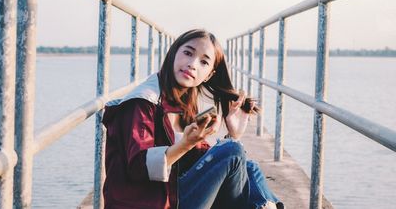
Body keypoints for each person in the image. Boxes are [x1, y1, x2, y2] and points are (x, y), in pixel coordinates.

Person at [102, 29, 284, 209]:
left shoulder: (180, 100)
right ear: (173, 53)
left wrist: (233, 134)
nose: (193, 64)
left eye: (204, 62)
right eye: (188, 53)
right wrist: (187, 144)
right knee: (233, 151)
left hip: (168, 194)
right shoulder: (143, 102)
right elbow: (138, 167)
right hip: (147, 202)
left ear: (209, 75)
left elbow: (200, 158)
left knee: (246, 163)